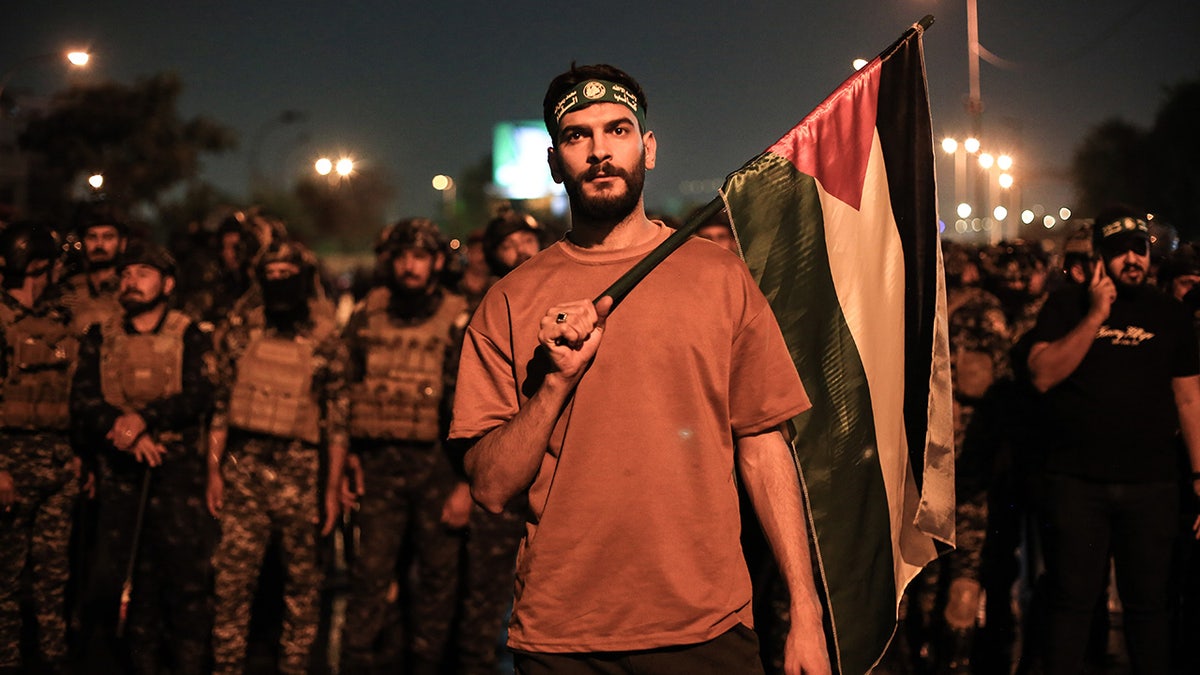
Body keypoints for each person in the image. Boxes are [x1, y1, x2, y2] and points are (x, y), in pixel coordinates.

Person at [450, 63, 830, 675]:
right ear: (553, 163)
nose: (600, 151)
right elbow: (491, 489)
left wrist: (805, 614)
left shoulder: (719, 277)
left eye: (618, 130)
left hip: (707, 627)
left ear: (648, 149)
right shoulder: (509, 301)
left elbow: (763, 446)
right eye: (577, 136)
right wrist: (554, 385)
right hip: (562, 638)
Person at [1026, 205, 1200, 675]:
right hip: (1079, 485)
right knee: (1073, 603)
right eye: (1120, 251)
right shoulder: (1068, 305)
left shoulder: (1169, 314)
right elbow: (1042, 374)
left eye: (1139, 249)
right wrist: (1096, 315)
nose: (1132, 260)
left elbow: (1188, 399)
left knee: (1150, 607)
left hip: (1152, 486)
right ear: (1100, 258)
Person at [71, 240, 215, 675]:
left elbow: (199, 394)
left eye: (143, 273)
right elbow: (84, 400)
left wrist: (145, 418)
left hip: (176, 478)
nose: (130, 281)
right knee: (126, 586)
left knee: (184, 584)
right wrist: (126, 432)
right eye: (126, 274)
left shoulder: (188, 334)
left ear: (167, 284)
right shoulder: (102, 335)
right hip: (121, 475)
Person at [205, 238, 348, 675]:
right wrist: (213, 471)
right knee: (231, 583)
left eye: (290, 274)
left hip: (300, 475)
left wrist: (331, 490)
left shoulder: (326, 338)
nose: (280, 282)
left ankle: (295, 666)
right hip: (243, 471)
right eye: (272, 274)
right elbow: (220, 408)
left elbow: (337, 421)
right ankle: (227, 665)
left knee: (302, 587)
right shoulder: (241, 332)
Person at [340, 218, 470, 674]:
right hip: (377, 467)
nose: (409, 266)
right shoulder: (367, 313)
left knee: (435, 584)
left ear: (437, 261)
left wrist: (465, 483)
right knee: (370, 579)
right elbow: (345, 387)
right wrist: (348, 459)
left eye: (418, 256)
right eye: (401, 256)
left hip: (437, 468)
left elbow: (472, 408)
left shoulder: (458, 318)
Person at [0, 221, 81, 674]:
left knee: (54, 576)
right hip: (10, 465)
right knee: (6, 580)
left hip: (56, 464)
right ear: (38, 266)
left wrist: (74, 456)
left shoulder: (59, 320)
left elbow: (70, 392)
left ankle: (54, 657)